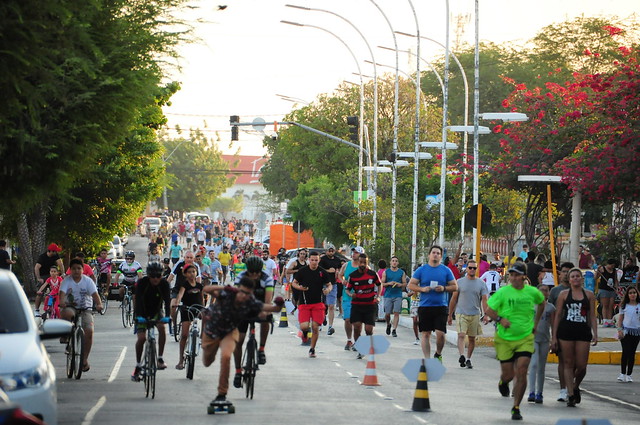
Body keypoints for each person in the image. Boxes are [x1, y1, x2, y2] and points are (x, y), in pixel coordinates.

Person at [201, 277, 284, 407]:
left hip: (229, 332)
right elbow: (206, 289)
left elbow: (270, 308)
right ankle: (209, 357)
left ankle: (222, 394)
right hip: (212, 332)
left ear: (250, 293)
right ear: (237, 289)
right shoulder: (228, 294)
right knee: (207, 361)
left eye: (247, 293)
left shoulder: (250, 302)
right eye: (241, 292)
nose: (243, 295)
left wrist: (279, 305)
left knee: (226, 356)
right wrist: (225, 287)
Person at [483, 262, 545, 421]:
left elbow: (542, 303)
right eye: (511, 275)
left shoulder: (532, 292)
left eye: (517, 275)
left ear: (524, 276)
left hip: (525, 337)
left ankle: (516, 406)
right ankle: (503, 382)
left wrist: (536, 323)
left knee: (522, 369)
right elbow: (489, 310)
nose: (514, 278)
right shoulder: (503, 292)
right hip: (505, 338)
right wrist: (500, 319)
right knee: (509, 374)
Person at [551, 268, 597, 407]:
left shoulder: (589, 295)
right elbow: (558, 315)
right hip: (566, 331)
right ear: (569, 279)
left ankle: (575, 385)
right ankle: (570, 394)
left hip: (583, 331)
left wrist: (595, 333)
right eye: (573, 276)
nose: (576, 278)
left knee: (582, 366)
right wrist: (554, 337)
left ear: (581, 279)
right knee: (568, 363)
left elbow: (592, 316)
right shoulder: (563, 295)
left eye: (578, 276)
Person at [408, 245, 458, 361]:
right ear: (429, 255)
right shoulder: (421, 270)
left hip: (441, 306)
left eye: (438, 253)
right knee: (426, 334)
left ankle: (438, 353)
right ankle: (427, 359)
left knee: (440, 334)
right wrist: (422, 289)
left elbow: (455, 286)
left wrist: (444, 288)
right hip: (425, 306)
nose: (435, 255)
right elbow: (411, 285)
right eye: (433, 253)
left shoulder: (446, 270)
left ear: (441, 256)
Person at [232, 256, 275, 386]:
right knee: (238, 341)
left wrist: (265, 311)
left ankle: (261, 349)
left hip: (260, 305)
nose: (255, 275)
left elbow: (268, 300)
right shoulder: (241, 277)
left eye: (257, 272)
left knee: (267, 317)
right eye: (252, 272)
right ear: (248, 271)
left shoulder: (266, 278)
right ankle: (238, 371)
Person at [59, 258, 103, 372]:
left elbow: (95, 294)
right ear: (70, 270)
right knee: (67, 313)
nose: (76, 271)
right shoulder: (66, 281)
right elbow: (62, 294)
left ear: (83, 270)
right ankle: (67, 336)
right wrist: (62, 302)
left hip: (85, 309)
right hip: (71, 307)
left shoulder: (88, 281)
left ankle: (84, 360)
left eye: (79, 268)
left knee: (89, 331)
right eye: (73, 268)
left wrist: (99, 304)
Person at [131, 262, 171, 381]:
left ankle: (160, 358)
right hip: (142, 312)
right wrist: (138, 316)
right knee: (142, 338)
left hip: (156, 311)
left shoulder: (164, 284)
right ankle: (138, 365)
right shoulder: (142, 283)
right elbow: (137, 301)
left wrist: (168, 316)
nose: (155, 279)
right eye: (152, 276)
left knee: (162, 329)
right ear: (148, 275)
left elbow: (167, 301)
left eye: (158, 276)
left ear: (162, 275)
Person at [447, 260, 488, 369]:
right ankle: (462, 355)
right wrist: (450, 315)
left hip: (475, 314)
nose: (472, 270)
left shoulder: (481, 283)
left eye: (474, 268)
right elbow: (453, 299)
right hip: (461, 313)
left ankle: (468, 358)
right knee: (461, 335)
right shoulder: (459, 282)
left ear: (477, 269)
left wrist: (486, 314)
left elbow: (485, 300)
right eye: (470, 268)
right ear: (467, 268)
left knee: (471, 339)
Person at [291, 251, 332, 357]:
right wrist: (300, 288)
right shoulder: (302, 271)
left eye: (316, 260)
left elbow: (329, 284)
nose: (314, 262)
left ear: (319, 260)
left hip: (318, 303)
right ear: (309, 260)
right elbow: (294, 283)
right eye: (312, 260)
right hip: (304, 303)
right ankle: (304, 333)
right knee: (304, 326)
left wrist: (328, 290)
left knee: (315, 327)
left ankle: (312, 349)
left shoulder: (322, 272)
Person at [345, 253, 381, 359]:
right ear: (358, 263)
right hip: (357, 305)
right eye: (361, 262)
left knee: (368, 329)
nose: (362, 264)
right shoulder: (353, 276)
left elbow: (379, 285)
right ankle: (360, 348)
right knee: (357, 327)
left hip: (370, 305)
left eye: (365, 262)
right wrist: (351, 294)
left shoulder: (372, 274)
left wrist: (378, 297)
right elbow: (347, 289)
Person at [548, 261, 574, 402]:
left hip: (577, 329)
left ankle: (572, 386)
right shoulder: (555, 291)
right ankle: (563, 389)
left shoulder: (579, 291)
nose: (566, 274)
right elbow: (550, 312)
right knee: (563, 361)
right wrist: (552, 334)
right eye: (564, 271)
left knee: (576, 364)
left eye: (568, 272)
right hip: (561, 329)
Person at [527, 284, 555, 404]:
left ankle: (540, 392)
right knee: (533, 364)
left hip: (544, 339)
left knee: (541, 367)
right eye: (541, 290)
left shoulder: (551, 308)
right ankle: (531, 391)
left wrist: (554, 339)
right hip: (532, 339)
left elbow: (554, 325)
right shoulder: (530, 306)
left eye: (546, 290)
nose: (543, 292)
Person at [174, 263, 205, 370]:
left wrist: (204, 308)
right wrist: (177, 303)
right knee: (184, 335)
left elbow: (202, 298)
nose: (192, 274)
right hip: (186, 309)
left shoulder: (200, 286)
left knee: (206, 315)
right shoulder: (185, 285)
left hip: (198, 308)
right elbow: (180, 295)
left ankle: (202, 336)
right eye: (189, 272)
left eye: (194, 272)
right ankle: (181, 360)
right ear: (185, 274)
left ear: (196, 273)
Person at [167, 251, 201, 329]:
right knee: (173, 306)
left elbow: (199, 280)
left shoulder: (196, 266)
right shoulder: (179, 264)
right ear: (184, 258)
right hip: (178, 289)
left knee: (194, 307)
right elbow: (171, 275)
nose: (189, 259)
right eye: (187, 257)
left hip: (190, 291)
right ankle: (174, 323)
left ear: (194, 259)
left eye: (191, 258)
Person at [338, 247, 363, 351]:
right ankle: (349, 339)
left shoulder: (364, 267)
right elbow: (339, 275)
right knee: (348, 319)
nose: (353, 254)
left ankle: (357, 341)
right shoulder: (346, 265)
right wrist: (342, 280)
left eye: (356, 252)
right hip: (347, 296)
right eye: (353, 252)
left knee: (357, 322)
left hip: (360, 297)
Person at [33, 243, 65, 317]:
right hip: (44, 276)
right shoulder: (42, 257)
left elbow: (60, 264)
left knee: (58, 291)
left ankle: (58, 309)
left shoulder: (55, 255)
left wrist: (63, 273)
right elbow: (37, 267)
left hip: (54, 274)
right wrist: (38, 278)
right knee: (40, 293)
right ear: (51, 251)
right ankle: (37, 310)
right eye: (55, 251)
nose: (56, 253)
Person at [617, 286, 640, 382]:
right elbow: (620, 319)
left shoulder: (639, 305)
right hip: (625, 331)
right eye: (630, 293)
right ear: (627, 295)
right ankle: (622, 373)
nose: (632, 294)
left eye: (634, 292)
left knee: (632, 353)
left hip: (636, 332)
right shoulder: (624, 306)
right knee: (625, 351)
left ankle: (629, 374)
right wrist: (619, 330)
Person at [319, 245, 343, 336]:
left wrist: (338, 273)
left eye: (332, 251)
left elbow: (340, 269)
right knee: (321, 305)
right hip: (323, 284)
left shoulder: (337, 260)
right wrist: (328, 271)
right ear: (326, 251)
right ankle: (320, 322)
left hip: (333, 284)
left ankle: (330, 326)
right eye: (329, 250)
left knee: (331, 306)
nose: (331, 252)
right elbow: (319, 270)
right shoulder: (323, 259)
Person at [381, 256, 407, 337]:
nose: (394, 262)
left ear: (398, 263)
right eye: (393, 261)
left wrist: (400, 285)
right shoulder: (386, 272)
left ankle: (394, 329)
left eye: (396, 261)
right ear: (390, 262)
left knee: (396, 313)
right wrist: (389, 283)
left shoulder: (401, 272)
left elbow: (405, 283)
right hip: (388, 295)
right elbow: (382, 283)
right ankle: (388, 324)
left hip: (397, 295)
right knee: (387, 314)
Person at [595, 258, 619, 327]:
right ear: (608, 264)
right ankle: (605, 320)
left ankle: (610, 320)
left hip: (611, 289)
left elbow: (615, 280)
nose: (612, 267)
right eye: (612, 265)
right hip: (604, 289)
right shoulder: (602, 269)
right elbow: (595, 277)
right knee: (605, 305)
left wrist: (617, 288)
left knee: (611, 305)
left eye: (614, 266)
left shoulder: (614, 271)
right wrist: (597, 272)